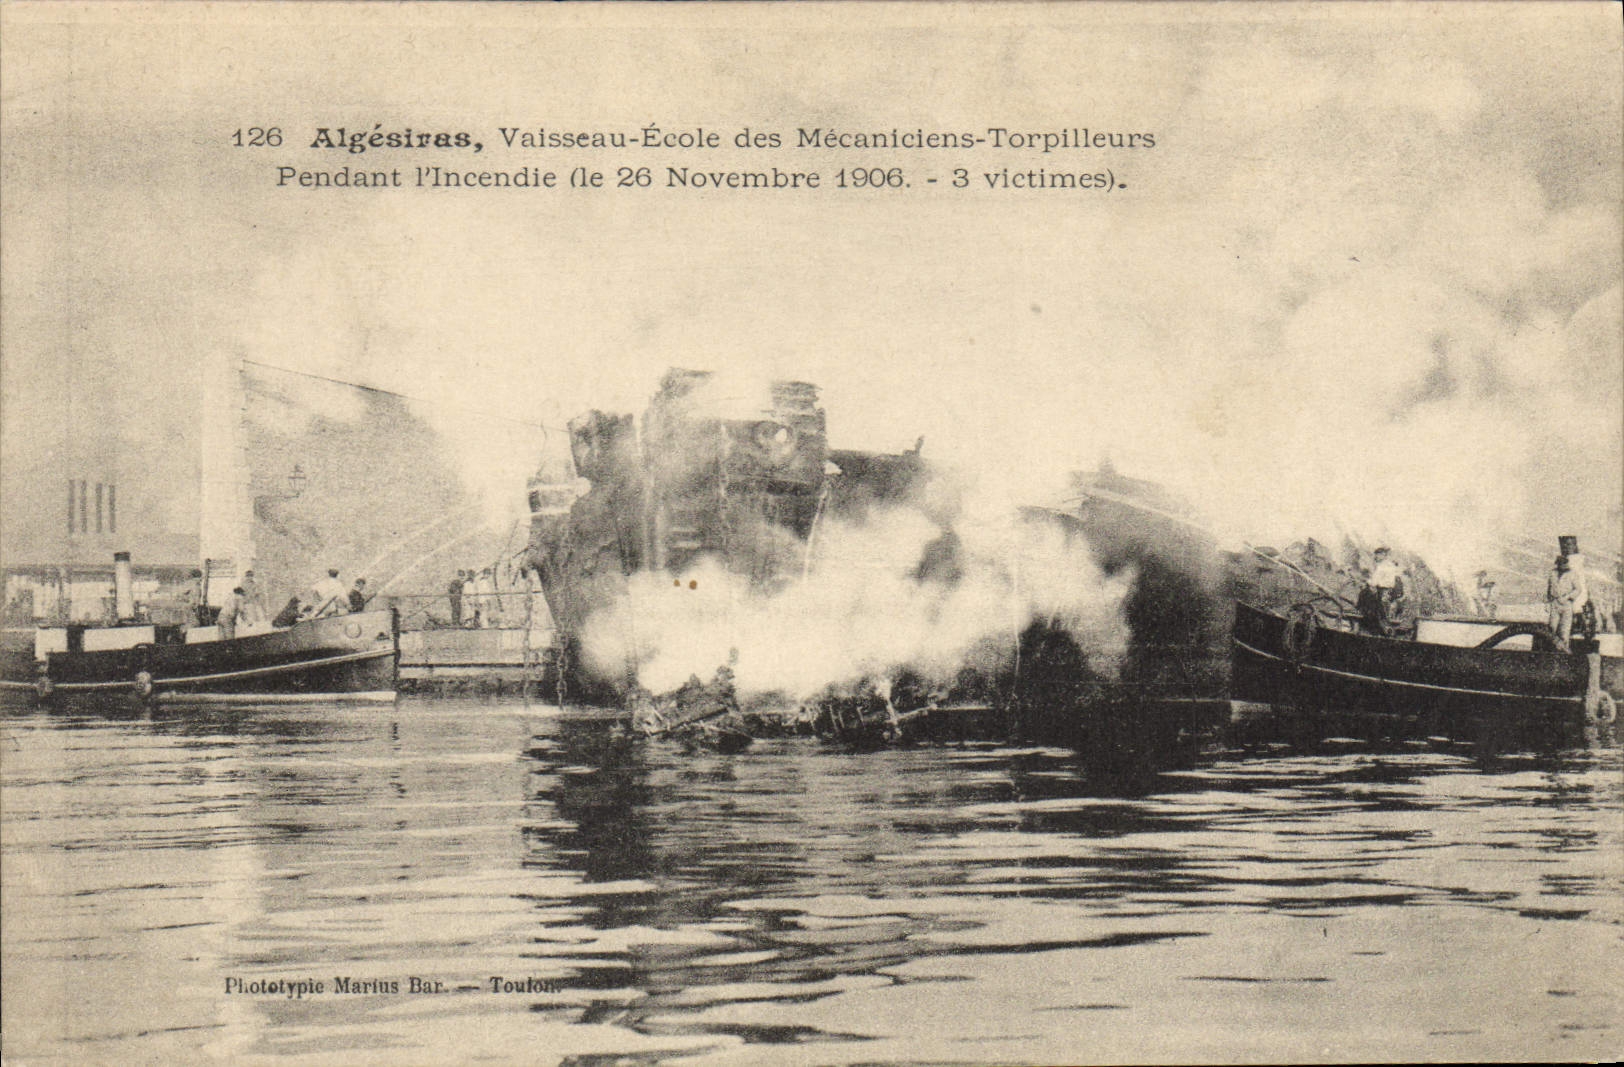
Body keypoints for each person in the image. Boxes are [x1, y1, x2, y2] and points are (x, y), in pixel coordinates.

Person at [1547, 555, 1586, 650]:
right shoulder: (1553, 573)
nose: (1561, 566)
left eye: (1563, 563)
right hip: (1555, 602)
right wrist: (1548, 600)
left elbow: (1578, 589)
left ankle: (1564, 651)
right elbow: (1549, 587)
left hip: (1566, 604)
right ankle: (1552, 649)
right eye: (1559, 564)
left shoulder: (1572, 574)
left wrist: (1567, 597)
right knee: (1552, 627)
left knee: (1565, 630)